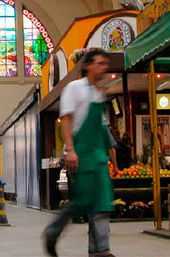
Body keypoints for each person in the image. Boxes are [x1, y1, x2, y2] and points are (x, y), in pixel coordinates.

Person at [44, 50, 119, 257]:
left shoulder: (99, 94)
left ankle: (100, 251)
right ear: (87, 66)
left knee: (102, 204)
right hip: (82, 156)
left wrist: (112, 159)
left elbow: (102, 129)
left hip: (99, 159)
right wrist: (70, 150)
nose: (104, 67)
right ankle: (53, 230)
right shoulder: (74, 88)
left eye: (106, 64)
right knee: (85, 201)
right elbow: (66, 119)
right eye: (100, 63)